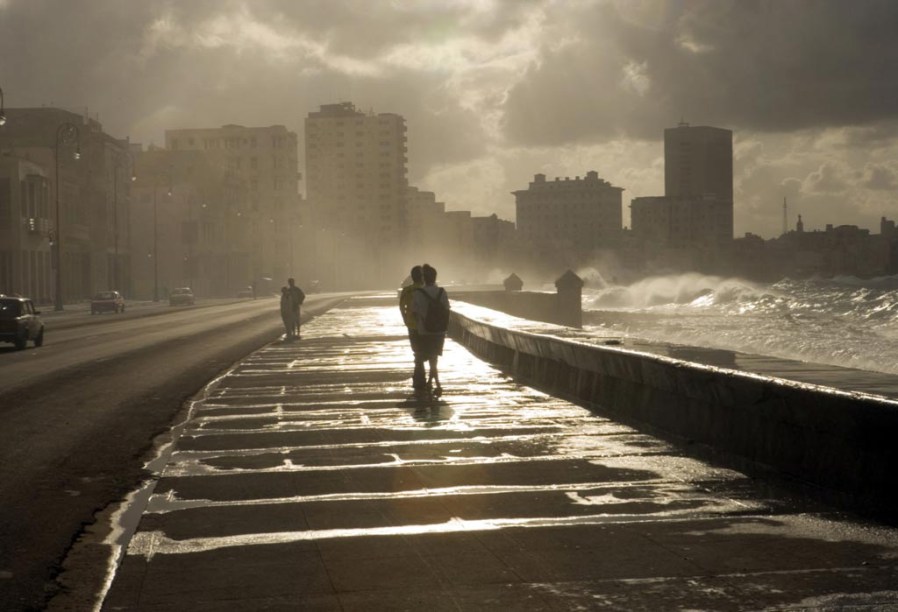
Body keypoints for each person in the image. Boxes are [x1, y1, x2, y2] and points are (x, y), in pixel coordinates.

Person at [412, 263, 450, 397]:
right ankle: (433, 380)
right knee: (434, 356)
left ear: (424, 278)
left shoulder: (418, 293)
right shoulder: (442, 292)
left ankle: (433, 381)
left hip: (424, 331)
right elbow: (447, 309)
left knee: (428, 355)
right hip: (439, 331)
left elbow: (415, 312)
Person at [398, 265, 426, 392]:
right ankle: (420, 375)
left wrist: (405, 319)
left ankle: (418, 375)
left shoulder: (407, 290)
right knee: (424, 350)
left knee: (417, 350)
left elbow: (401, 306)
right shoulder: (425, 290)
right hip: (425, 326)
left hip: (412, 325)